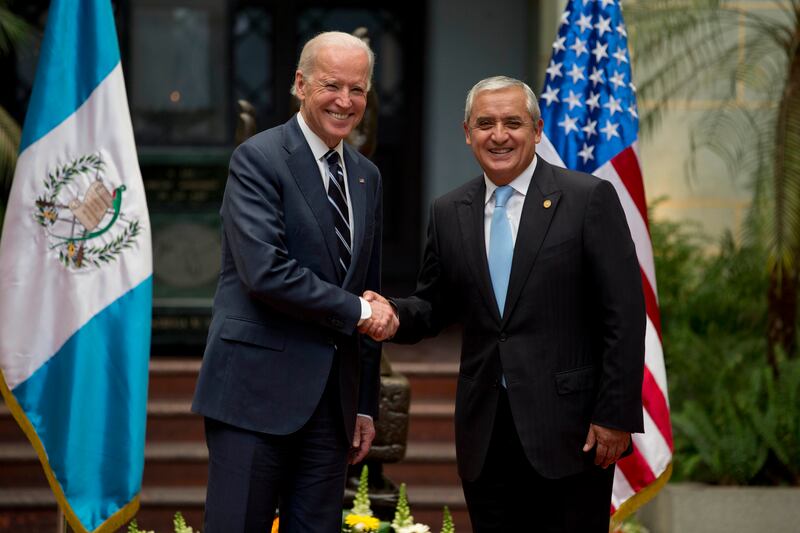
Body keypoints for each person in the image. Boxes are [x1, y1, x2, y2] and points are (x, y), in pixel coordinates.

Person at [363, 76, 645, 531]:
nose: (499, 136)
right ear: (467, 132)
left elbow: (624, 315)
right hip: (486, 431)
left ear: (537, 130)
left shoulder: (587, 198)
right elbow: (434, 305)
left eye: (513, 123)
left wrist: (614, 414)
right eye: (485, 124)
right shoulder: (448, 211)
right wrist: (392, 313)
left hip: (572, 431)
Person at [192, 31, 396, 533]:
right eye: (332, 85)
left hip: (331, 409)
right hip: (252, 396)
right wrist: (361, 312)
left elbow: (367, 288)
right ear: (301, 85)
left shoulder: (367, 176)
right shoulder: (257, 158)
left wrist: (364, 406)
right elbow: (266, 272)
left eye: (358, 89)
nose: (345, 101)